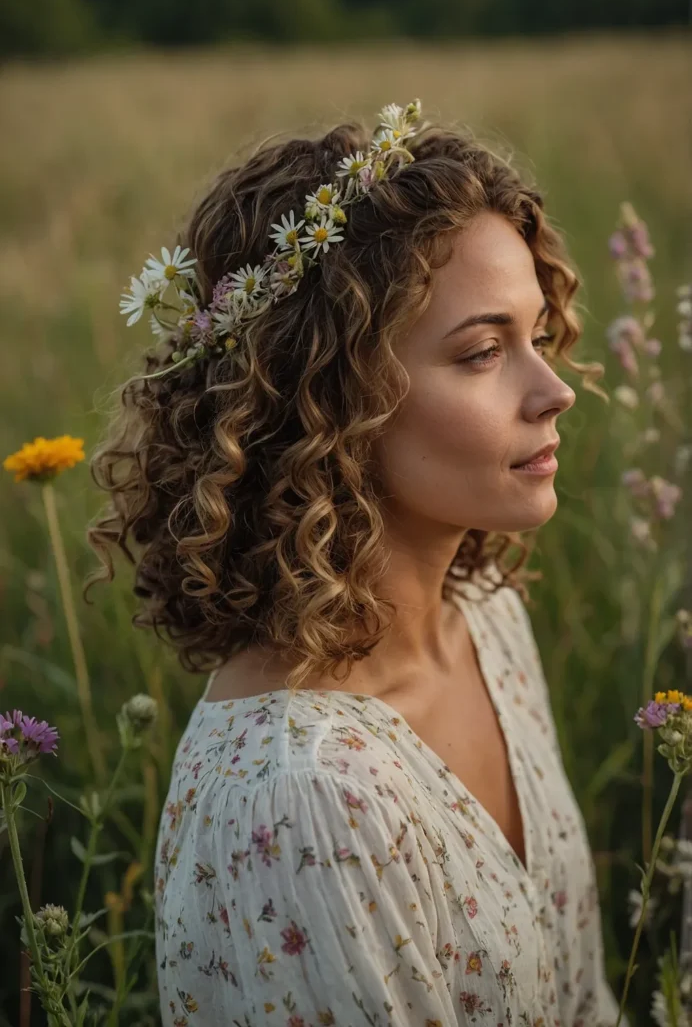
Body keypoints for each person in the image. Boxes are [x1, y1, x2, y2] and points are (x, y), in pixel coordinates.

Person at [86, 101, 626, 1025]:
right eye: (483, 352)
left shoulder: (489, 620)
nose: (554, 391)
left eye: (538, 336)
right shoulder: (299, 797)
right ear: (330, 398)